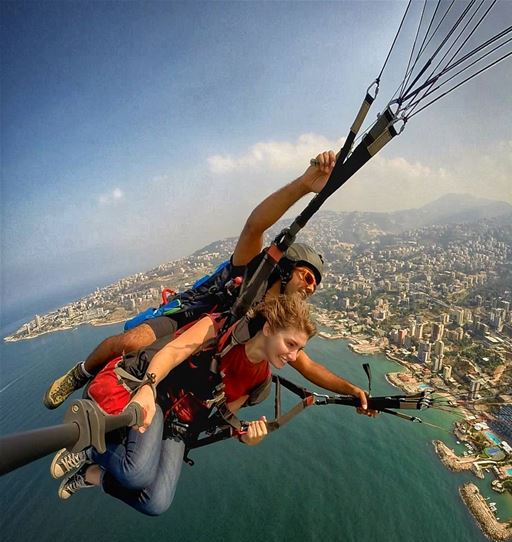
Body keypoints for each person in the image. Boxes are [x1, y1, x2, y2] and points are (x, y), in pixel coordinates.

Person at [44, 150, 374, 416]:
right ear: (286, 270)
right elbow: (254, 226)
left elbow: (308, 365)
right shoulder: (252, 270)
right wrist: (303, 185)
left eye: (316, 285)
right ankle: (82, 372)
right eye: (308, 276)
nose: (311, 287)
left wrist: (352, 389)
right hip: (193, 315)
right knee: (131, 342)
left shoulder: (281, 318)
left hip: (216, 344)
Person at [51, 294, 316, 517]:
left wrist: (247, 438)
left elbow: (226, 415)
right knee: (135, 474)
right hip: (160, 399)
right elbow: (173, 351)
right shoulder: (221, 328)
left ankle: (92, 475)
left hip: (182, 426)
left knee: (156, 502)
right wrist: (148, 387)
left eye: (299, 349)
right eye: (290, 344)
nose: (293, 356)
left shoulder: (260, 380)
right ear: (268, 329)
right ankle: (89, 450)